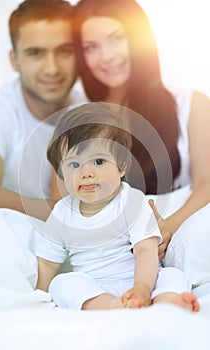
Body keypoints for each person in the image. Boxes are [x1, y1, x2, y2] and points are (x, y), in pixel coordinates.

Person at [72, 0, 210, 259]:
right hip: (113, 253)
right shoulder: (79, 120)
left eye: (116, 38)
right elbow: (65, 203)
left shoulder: (192, 104)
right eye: (91, 47)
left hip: (176, 234)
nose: (107, 56)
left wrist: (163, 229)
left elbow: (206, 183)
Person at [35, 102, 199, 312]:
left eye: (98, 162)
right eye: (74, 165)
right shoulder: (61, 213)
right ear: (61, 172)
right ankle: (115, 305)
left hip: (140, 278)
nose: (86, 173)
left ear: (121, 166)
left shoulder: (131, 201)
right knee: (62, 284)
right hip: (96, 287)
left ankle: (167, 302)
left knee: (172, 275)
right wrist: (37, 295)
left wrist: (141, 287)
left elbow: (145, 251)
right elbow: (47, 263)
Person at [0, 0, 87, 220]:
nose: (52, 69)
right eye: (36, 53)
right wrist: (59, 213)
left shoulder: (88, 107)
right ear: (14, 60)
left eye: (64, 51)